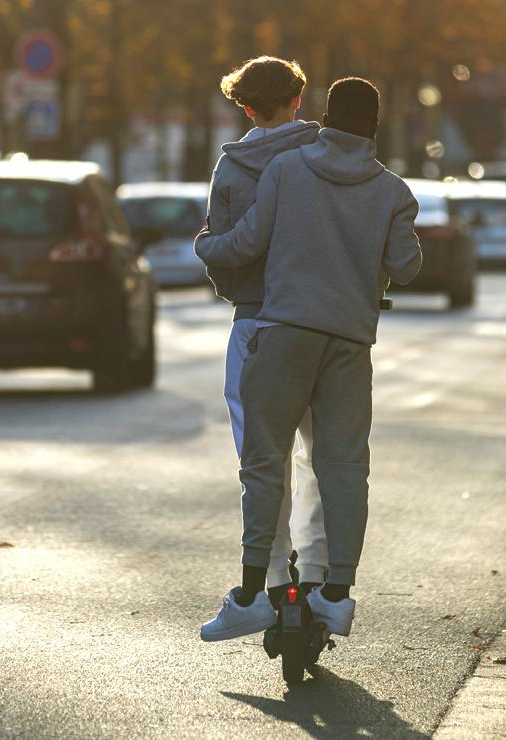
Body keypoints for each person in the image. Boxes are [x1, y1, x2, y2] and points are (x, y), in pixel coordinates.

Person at [196, 77, 422, 640]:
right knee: (343, 466)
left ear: (325, 117)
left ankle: (252, 594)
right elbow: (408, 263)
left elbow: (246, 243)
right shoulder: (392, 191)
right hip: (349, 340)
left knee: (264, 458)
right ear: (374, 128)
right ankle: (336, 595)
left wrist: (204, 246)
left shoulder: (287, 170)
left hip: (283, 331)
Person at [196, 57, 328, 643]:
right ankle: (321, 578)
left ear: (246, 107)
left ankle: (270, 581)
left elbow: (224, 251)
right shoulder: (325, 155)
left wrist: (235, 282)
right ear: (298, 99)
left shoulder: (232, 165)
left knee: (260, 459)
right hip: (321, 325)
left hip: (255, 325)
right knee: (321, 458)